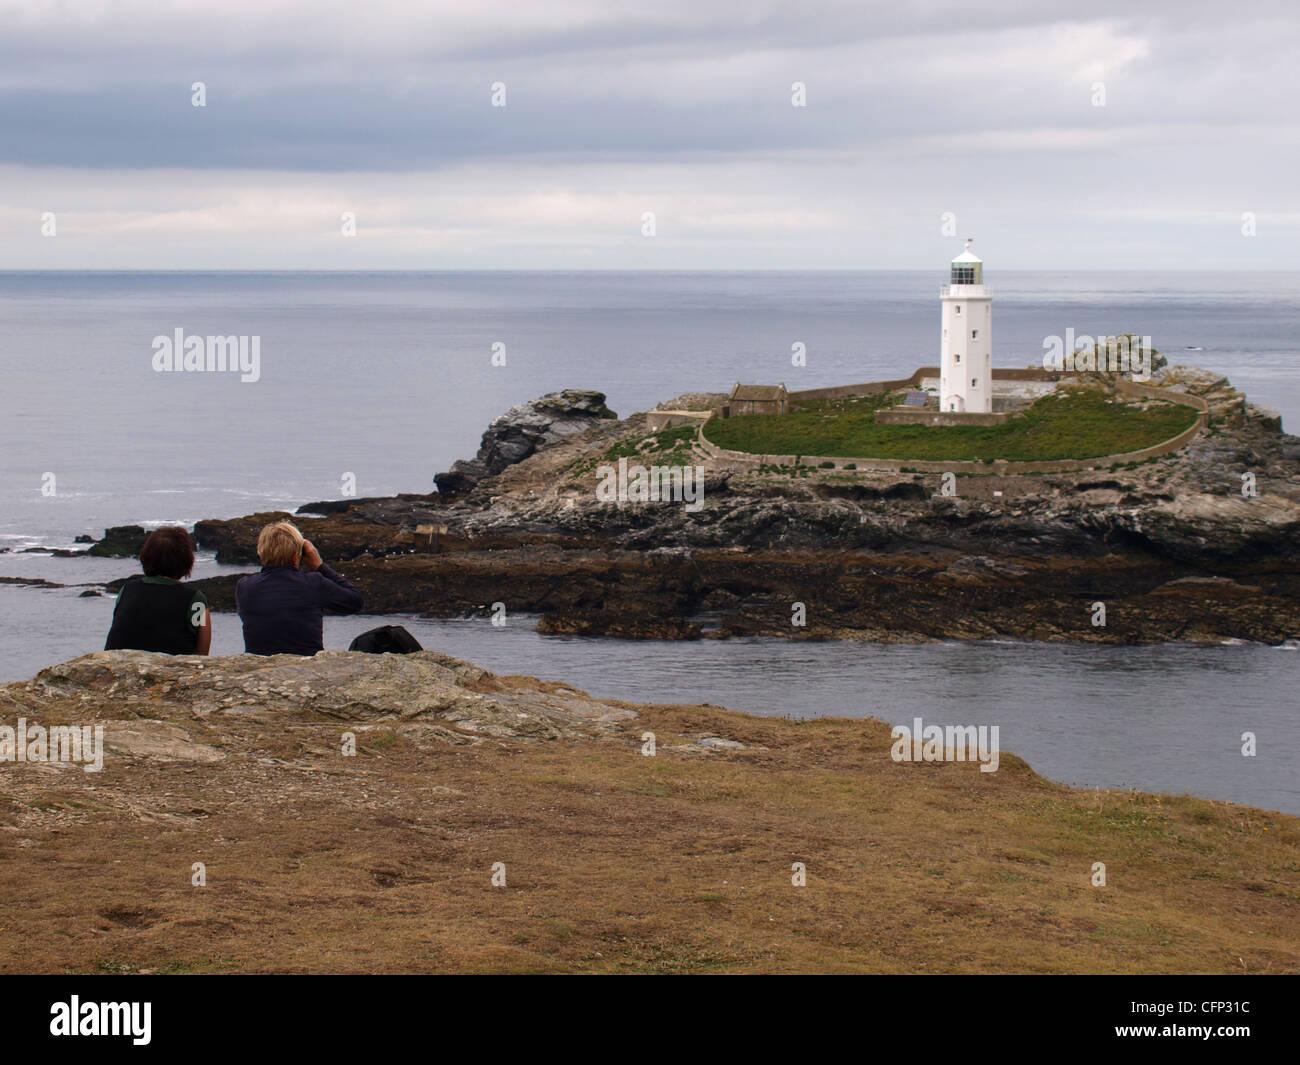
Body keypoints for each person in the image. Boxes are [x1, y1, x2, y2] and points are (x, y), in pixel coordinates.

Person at [236, 521, 363, 655]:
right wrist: (319, 566)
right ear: (297, 556)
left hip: (259, 666)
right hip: (306, 665)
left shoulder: (245, 586)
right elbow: (355, 601)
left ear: (260, 552)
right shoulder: (313, 583)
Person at [105, 526, 212, 655]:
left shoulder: (126, 591)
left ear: (146, 556)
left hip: (118, 667)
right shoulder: (196, 601)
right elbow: (202, 653)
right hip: (171, 671)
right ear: (187, 560)